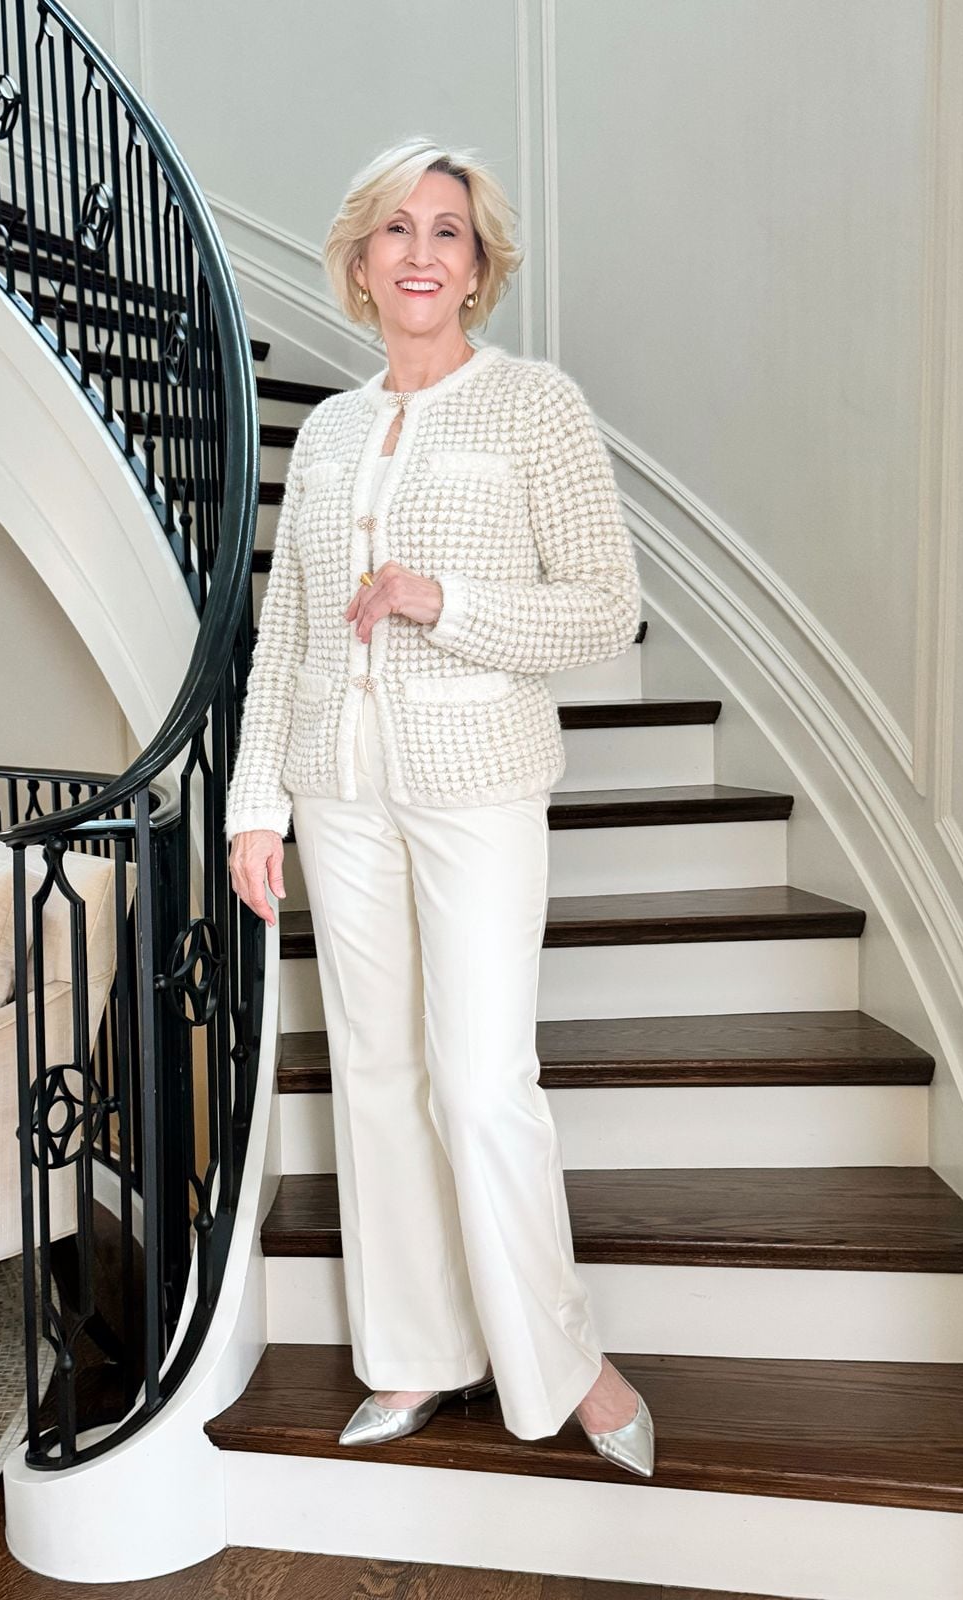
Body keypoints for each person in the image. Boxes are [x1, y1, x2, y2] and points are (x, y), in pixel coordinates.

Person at [226, 137, 652, 1478]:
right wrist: (257, 806)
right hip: (337, 790)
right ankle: (415, 1358)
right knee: (380, 1078)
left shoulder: (534, 407)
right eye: (397, 230)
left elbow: (607, 607)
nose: (421, 252)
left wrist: (441, 602)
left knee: (480, 1084)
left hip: (477, 786)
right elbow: (285, 624)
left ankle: (566, 1363)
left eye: (449, 231)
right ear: (360, 261)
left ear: (479, 265)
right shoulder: (337, 428)